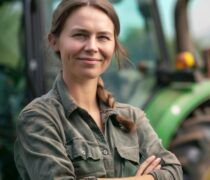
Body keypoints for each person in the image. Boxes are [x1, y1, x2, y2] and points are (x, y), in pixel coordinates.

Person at [14, 0, 183, 179]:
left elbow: (173, 171)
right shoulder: (38, 118)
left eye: (103, 37)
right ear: (54, 41)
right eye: (80, 35)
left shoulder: (132, 118)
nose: (92, 47)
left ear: (114, 45)